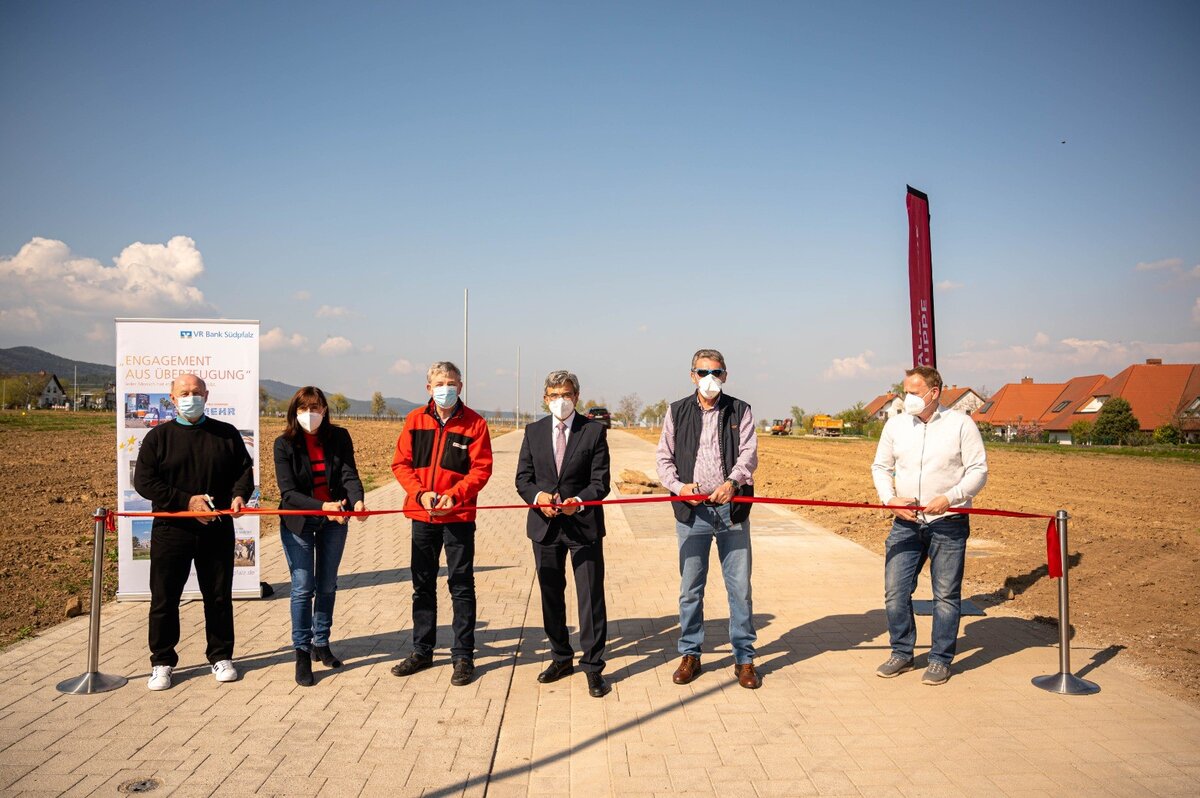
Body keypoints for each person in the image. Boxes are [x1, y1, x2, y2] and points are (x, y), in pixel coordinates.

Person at [133, 374, 254, 691]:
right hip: (171, 529)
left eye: (196, 392)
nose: (191, 397)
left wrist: (239, 495)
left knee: (217, 597)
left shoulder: (225, 434)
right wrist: (187, 501)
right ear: (172, 399)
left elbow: (244, 472)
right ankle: (161, 662)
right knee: (164, 598)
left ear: (207, 395)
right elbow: (144, 482)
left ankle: (221, 655)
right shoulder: (158, 438)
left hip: (215, 530)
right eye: (184, 393)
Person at [871, 365, 988, 685]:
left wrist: (951, 497)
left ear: (934, 393)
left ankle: (940, 659)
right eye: (905, 391)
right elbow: (880, 467)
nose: (907, 398)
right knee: (895, 592)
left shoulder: (961, 424)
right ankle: (902, 652)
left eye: (913, 392)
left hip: (948, 522)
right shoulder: (895, 426)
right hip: (905, 522)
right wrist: (890, 499)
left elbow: (978, 470)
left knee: (946, 596)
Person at [656, 349, 761, 689]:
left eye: (716, 372)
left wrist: (733, 483)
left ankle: (744, 659)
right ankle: (690, 654)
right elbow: (663, 459)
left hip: (731, 511)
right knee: (690, 589)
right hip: (692, 513)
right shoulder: (675, 412)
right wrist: (677, 487)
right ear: (692, 375)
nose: (709, 378)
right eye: (703, 372)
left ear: (726, 375)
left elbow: (748, 453)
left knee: (740, 589)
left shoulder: (740, 410)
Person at [390, 362, 493, 686]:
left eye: (450, 382)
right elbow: (401, 463)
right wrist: (419, 494)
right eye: (439, 383)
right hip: (423, 516)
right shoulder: (414, 420)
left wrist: (455, 494)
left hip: (458, 517)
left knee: (461, 585)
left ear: (460, 387)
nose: (444, 387)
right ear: (428, 388)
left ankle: (463, 655)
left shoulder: (475, 423)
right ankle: (422, 650)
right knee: (422, 584)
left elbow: (482, 469)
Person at [515, 370, 612, 698]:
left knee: (590, 597)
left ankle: (594, 666)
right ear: (545, 398)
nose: (561, 400)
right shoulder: (533, 432)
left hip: (582, 526)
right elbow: (523, 479)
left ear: (577, 396)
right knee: (551, 594)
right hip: (545, 528)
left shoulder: (594, 432)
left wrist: (580, 502)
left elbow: (601, 482)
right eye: (554, 395)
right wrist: (538, 498)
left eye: (567, 394)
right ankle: (560, 657)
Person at [274, 386, 366, 686]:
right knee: (303, 587)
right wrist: (322, 507)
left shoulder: (338, 437)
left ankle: (321, 642)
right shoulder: (283, 444)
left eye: (315, 407)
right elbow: (288, 493)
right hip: (298, 523)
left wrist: (358, 501)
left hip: (334, 521)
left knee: (327, 584)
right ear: (295, 412)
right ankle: (301, 651)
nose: (309, 414)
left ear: (325, 410)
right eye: (303, 409)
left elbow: (349, 475)